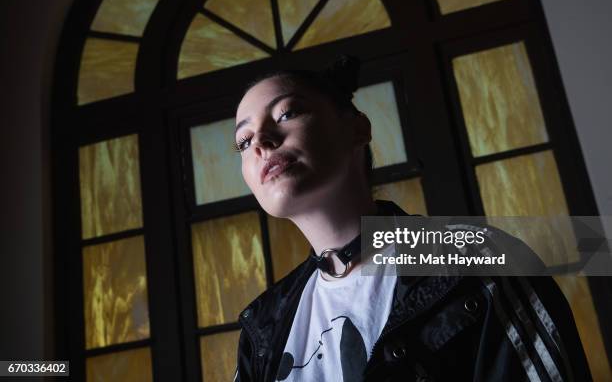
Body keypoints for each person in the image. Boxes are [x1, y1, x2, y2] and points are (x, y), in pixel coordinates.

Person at [232, 56, 592, 381]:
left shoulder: (475, 259)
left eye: (286, 113)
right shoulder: (261, 326)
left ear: (358, 128)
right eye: (244, 141)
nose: (261, 141)